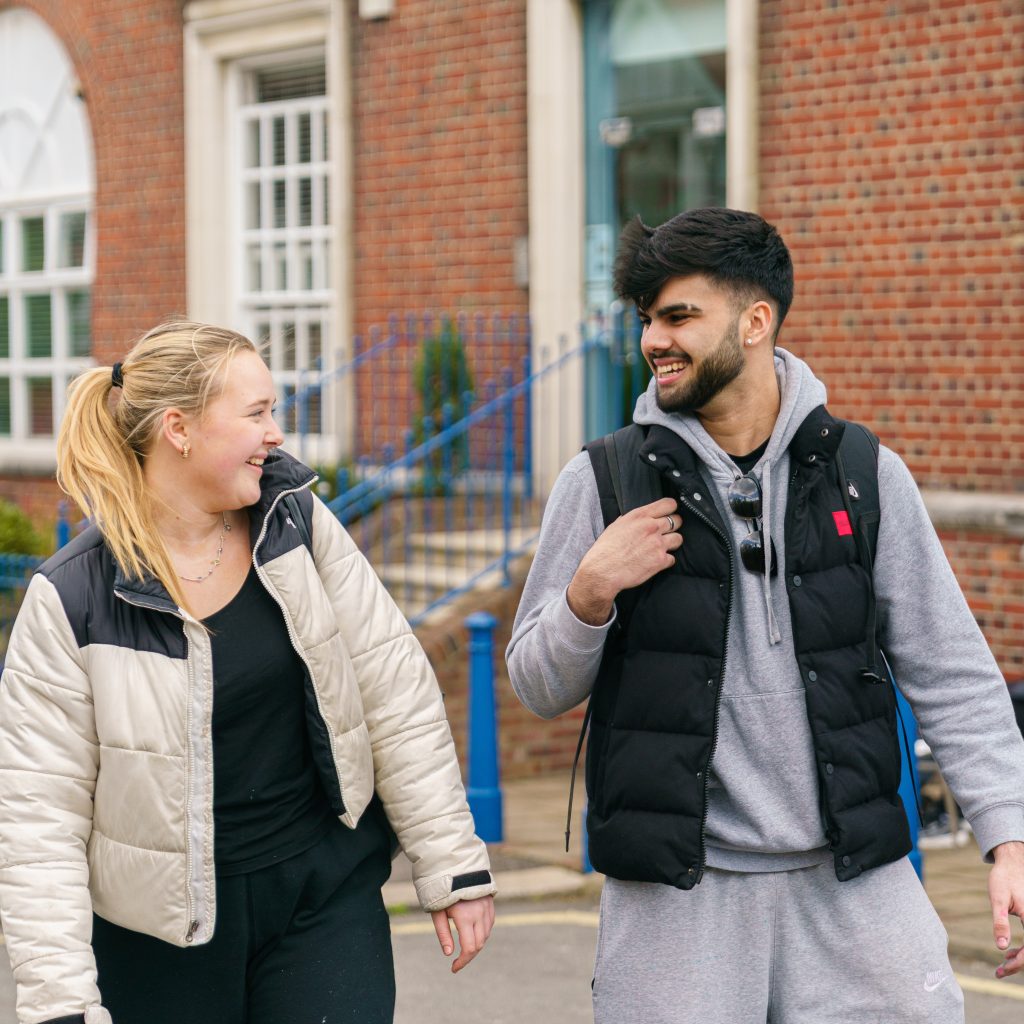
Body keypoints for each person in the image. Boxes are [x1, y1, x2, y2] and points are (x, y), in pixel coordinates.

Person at [506, 208, 1024, 1024]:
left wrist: (1008, 833)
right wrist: (588, 594)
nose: (654, 340)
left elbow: (951, 669)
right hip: (680, 900)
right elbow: (537, 686)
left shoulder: (863, 474)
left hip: (855, 886)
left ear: (756, 322)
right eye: (647, 319)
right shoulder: (604, 480)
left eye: (679, 316)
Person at [0, 321, 495, 1024]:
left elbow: (395, 692)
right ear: (179, 429)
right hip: (160, 939)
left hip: (321, 898)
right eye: (258, 412)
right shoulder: (74, 597)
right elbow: (37, 814)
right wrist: (58, 1000)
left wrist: (453, 862)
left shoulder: (296, 525)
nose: (277, 434)